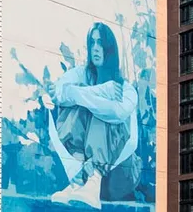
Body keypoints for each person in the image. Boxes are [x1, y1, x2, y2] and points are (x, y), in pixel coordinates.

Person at [40, 22, 139, 209]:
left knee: (101, 111)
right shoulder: (81, 74)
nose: (95, 48)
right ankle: (79, 178)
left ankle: (93, 181)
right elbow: (60, 94)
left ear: (109, 49)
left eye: (100, 43)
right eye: (92, 43)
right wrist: (101, 91)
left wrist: (82, 94)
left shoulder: (125, 89)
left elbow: (117, 113)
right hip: (85, 160)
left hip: (119, 172)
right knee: (79, 106)